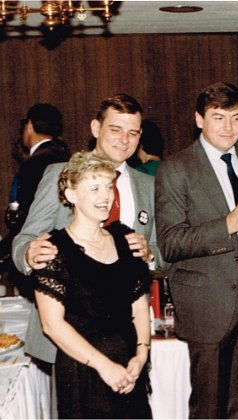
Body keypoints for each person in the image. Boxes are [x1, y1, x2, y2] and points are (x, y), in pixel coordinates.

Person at [12, 93, 158, 418]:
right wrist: (28, 253)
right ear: (95, 128)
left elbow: (159, 252)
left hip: (125, 341)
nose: (124, 140)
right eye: (115, 129)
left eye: (133, 133)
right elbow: (24, 237)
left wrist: (150, 254)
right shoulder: (60, 174)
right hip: (70, 344)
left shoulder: (148, 185)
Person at [155, 82, 238, 419]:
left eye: (236, 118)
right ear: (199, 119)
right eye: (218, 117)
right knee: (209, 405)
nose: (228, 127)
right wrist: (229, 224)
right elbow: (170, 242)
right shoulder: (176, 168)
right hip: (207, 299)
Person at [33, 151, 151, 418]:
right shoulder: (53, 249)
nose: (105, 195)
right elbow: (52, 325)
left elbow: (139, 305)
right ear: (71, 195)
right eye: (94, 188)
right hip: (83, 372)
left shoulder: (125, 239)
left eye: (109, 186)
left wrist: (141, 355)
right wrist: (105, 367)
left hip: (130, 367)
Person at [0, 103, 70, 295]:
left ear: (29, 125)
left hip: (42, 258)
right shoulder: (65, 157)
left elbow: (29, 222)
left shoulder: (35, 164)